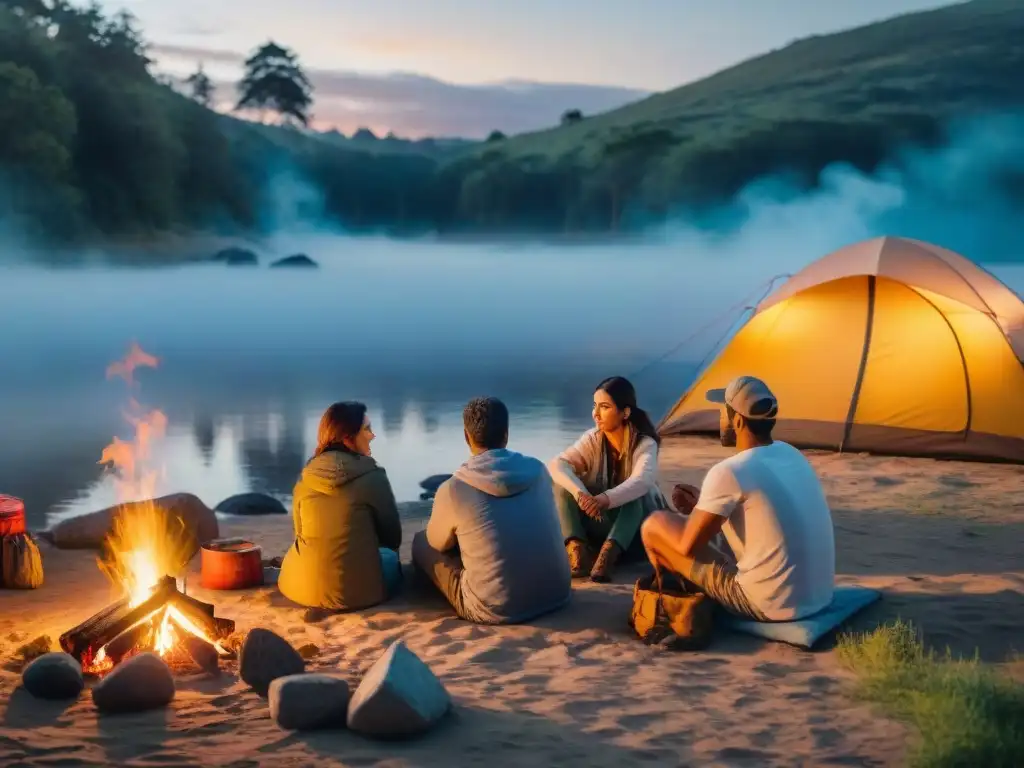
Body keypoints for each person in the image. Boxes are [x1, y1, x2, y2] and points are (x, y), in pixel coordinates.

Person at [640, 376, 835, 622]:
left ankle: (669, 602)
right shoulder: (791, 453)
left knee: (654, 526)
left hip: (768, 604)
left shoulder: (729, 470)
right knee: (698, 532)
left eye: (724, 411)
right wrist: (703, 506)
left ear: (738, 421)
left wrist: (678, 522)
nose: (721, 419)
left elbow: (686, 546)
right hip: (819, 597)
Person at [412, 397, 571, 625]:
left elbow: (437, 543)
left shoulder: (454, 488)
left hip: (497, 608)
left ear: (466, 436)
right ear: (506, 434)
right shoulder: (538, 470)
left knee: (421, 542)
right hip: (558, 592)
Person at [278, 402, 403, 621]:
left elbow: (299, 536)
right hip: (361, 594)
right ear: (347, 438)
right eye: (366, 429)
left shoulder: (306, 477)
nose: (372, 435)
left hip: (301, 590)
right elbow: (392, 538)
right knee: (390, 558)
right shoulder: (373, 477)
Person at [549, 376, 669, 582]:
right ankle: (577, 551)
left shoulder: (645, 444)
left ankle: (608, 557)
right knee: (562, 486)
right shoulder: (592, 439)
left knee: (635, 495)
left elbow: (642, 480)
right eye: (595, 406)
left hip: (635, 536)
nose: (595, 414)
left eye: (604, 407)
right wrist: (581, 495)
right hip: (601, 526)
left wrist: (604, 499)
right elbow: (557, 464)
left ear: (625, 412)